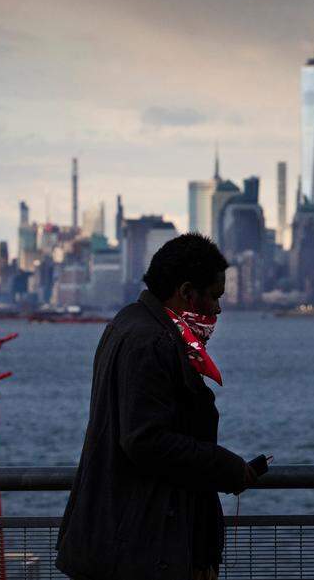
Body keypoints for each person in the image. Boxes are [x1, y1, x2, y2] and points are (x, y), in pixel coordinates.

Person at [56, 233, 258, 580]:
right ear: (186, 292)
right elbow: (145, 440)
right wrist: (226, 467)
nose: (218, 309)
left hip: (127, 540)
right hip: (143, 549)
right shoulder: (151, 342)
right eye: (213, 296)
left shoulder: (129, 325)